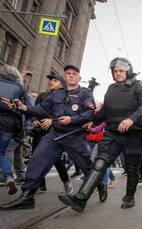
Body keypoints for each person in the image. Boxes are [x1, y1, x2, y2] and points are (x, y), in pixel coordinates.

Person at [0, 64, 101, 210]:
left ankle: (100, 185)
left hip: (74, 136)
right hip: (55, 135)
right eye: (68, 73)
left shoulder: (85, 94)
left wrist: (72, 120)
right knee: (37, 160)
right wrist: (24, 108)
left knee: (86, 165)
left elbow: (90, 114)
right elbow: (41, 109)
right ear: (64, 77)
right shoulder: (57, 94)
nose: (71, 75)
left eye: (74, 73)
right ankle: (27, 197)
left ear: (79, 78)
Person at [58, 57, 142, 213]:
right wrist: (94, 122)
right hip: (112, 133)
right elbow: (105, 112)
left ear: (128, 70)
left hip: (133, 135)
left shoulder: (140, 86)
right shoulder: (111, 88)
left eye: (121, 70)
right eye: (115, 71)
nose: (118, 73)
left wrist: (131, 119)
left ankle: (129, 197)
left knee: (132, 168)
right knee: (100, 163)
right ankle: (80, 200)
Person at [29, 73, 73, 194]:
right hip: (39, 132)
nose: (51, 82)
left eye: (55, 80)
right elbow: (34, 110)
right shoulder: (42, 95)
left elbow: (68, 116)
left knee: (56, 160)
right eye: (50, 80)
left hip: (54, 133)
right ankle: (40, 184)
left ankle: (66, 181)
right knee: (36, 158)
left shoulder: (66, 98)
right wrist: (34, 120)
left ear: (61, 84)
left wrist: (52, 121)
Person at [0, 64, 25, 195]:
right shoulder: (19, 88)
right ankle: (9, 177)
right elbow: (26, 107)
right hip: (9, 125)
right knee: (2, 153)